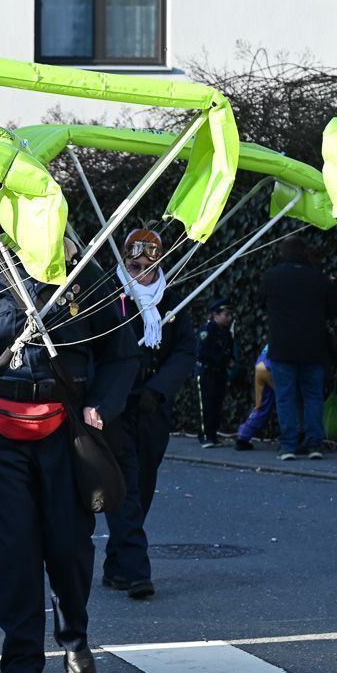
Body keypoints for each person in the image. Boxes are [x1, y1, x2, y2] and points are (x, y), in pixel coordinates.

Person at [0, 235, 137, 673]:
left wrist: (101, 404)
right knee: (16, 549)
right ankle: (21, 665)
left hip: (65, 427)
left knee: (68, 543)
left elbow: (121, 353)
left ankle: (74, 636)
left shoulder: (86, 277)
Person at [102, 229, 195, 600]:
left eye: (149, 266)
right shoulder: (109, 297)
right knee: (125, 484)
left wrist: (159, 390)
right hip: (118, 404)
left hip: (153, 404)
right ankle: (138, 570)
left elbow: (186, 349)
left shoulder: (172, 299)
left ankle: (115, 564)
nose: (142, 272)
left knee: (145, 483)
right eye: (134, 265)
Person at [258, 234, 337, 460]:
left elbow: (260, 303)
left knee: (285, 396)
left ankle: (288, 445)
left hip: (282, 346)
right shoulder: (319, 278)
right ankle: (314, 444)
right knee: (313, 396)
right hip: (314, 347)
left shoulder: (272, 276)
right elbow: (334, 311)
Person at [194, 299, 236, 448]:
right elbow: (203, 352)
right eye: (226, 314)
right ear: (215, 314)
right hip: (206, 371)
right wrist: (223, 360)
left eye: (230, 315)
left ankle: (213, 434)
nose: (229, 318)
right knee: (205, 404)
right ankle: (205, 435)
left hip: (219, 372)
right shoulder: (208, 330)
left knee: (217, 404)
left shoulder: (226, 333)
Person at [232, 345, 274, 451]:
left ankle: (243, 435)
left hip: (260, 365)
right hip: (271, 367)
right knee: (288, 401)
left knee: (260, 406)